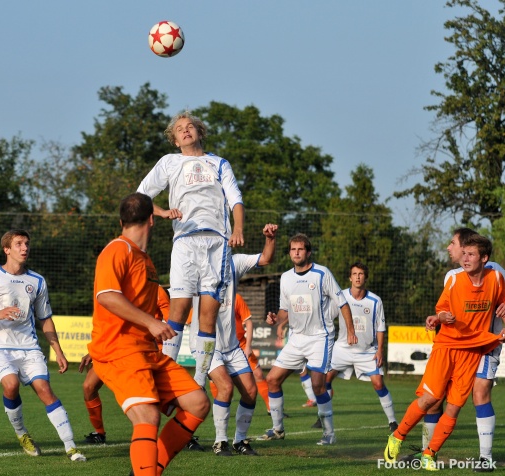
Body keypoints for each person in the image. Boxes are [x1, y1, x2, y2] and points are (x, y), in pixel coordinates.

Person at [89, 192, 209, 476]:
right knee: (147, 415)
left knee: (198, 403)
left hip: (147, 352)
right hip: (119, 351)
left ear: (122, 220)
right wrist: (152, 323)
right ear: (152, 220)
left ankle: (147, 471)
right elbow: (106, 296)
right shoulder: (118, 249)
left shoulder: (144, 259)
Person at [136, 111, 245, 387]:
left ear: (200, 132)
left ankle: (198, 382)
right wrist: (162, 212)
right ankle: (167, 378)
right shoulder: (169, 162)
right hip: (185, 242)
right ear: (175, 140)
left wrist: (238, 229)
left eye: (190, 126)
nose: (185, 130)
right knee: (178, 311)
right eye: (179, 129)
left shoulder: (219, 163)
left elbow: (236, 200)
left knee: (208, 315)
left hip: (217, 243)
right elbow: (141, 196)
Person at [383, 234, 505, 471]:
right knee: (431, 398)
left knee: (455, 406)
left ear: (484, 258)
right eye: (464, 253)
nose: (465, 258)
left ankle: (430, 453)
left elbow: (502, 304)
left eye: (471, 254)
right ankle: (397, 437)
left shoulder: (496, 278)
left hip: (473, 351)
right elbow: (440, 310)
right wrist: (440, 317)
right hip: (447, 347)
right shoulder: (455, 279)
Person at [0, 229, 86, 462]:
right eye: (19, 244)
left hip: (29, 347)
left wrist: (58, 351)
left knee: (45, 390)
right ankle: (22, 433)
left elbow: (45, 319)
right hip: (1, 347)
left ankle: (71, 447)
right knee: (11, 385)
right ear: (6, 249)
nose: (24, 248)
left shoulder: (37, 281)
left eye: (27, 244)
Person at [259, 233, 356, 445]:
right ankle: (277, 429)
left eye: (300, 249)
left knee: (318, 385)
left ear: (308, 252)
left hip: (319, 338)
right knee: (272, 380)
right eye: (293, 249)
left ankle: (329, 434)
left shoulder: (322, 273)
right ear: (289, 253)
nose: (296, 253)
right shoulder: (286, 278)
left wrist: (350, 331)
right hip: (296, 339)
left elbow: (342, 303)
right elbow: (284, 310)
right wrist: (276, 319)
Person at [191, 223, 278, 457]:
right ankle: (220, 442)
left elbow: (266, 258)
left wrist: (270, 238)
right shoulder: (196, 264)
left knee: (250, 390)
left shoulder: (234, 262)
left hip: (231, 346)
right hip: (206, 344)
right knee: (225, 388)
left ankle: (240, 441)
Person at [79, 285, 171, 446]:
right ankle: (99, 433)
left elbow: (171, 321)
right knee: (88, 387)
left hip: (143, 351)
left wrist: (153, 332)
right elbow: (111, 325)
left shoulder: (157, 290)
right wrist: (94, 351)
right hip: (114, 349)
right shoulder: (117, 292)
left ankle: (181, 432)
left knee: (156, 397)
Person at [321, 262, 397, 432]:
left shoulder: (375, 301)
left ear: (365, 278)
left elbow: (380, 328)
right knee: (324, 380)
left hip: (367, 351)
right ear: (350, 277)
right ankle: (323, 416)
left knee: (378, 384)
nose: (357, 277)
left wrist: (380, 350)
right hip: (342, 349)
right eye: (354, 274)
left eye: (361, 274)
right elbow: (327, 318)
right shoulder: (341, 297)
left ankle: (393, 422)